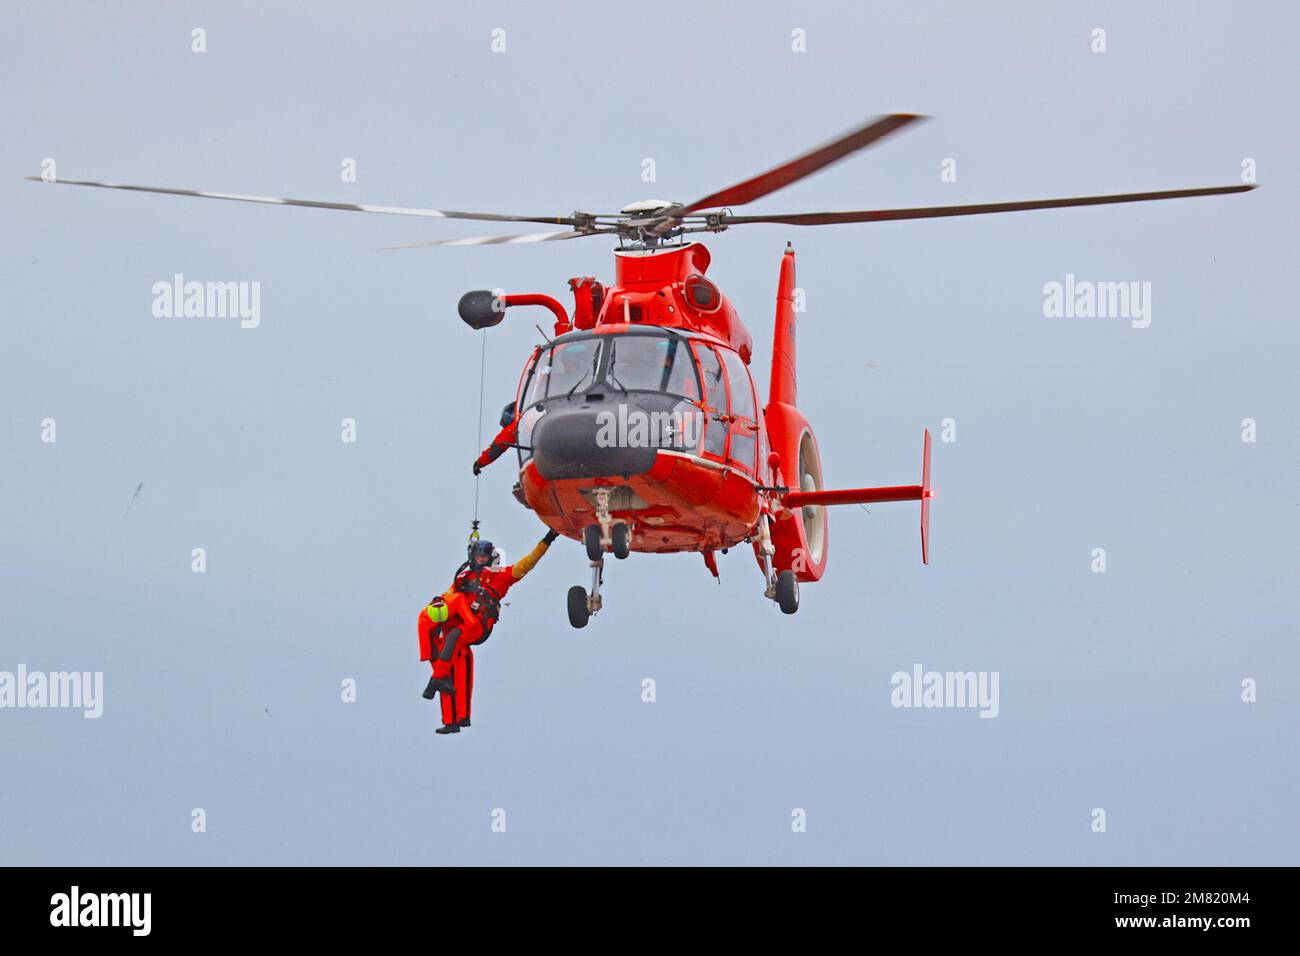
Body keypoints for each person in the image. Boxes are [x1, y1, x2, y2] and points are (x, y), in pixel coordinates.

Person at [417, 529, 560, 734]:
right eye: (478, 555)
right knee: (456, 663)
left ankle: (435, 680)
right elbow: (449, 594)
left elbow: (529, 562)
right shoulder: (464, 577)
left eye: (484, 555)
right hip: (460, 626)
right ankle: (455, 721)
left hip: (478, 625)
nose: (481, 559)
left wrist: (547, 539)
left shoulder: (502, 576)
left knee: (454, 640)